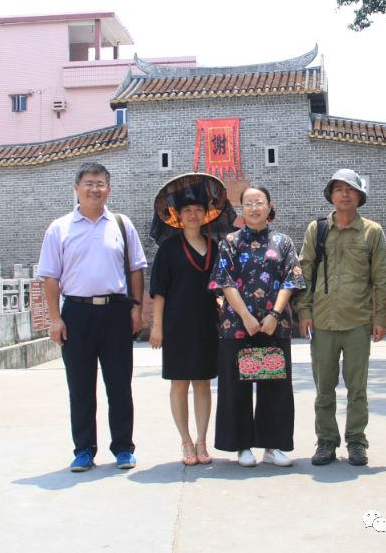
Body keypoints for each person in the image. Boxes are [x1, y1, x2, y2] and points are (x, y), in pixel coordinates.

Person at [37, 162, 146, 472]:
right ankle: (84, 450)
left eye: (100, 183)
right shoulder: (59, 228)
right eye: (88, 183)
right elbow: (49, 277)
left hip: (116, 312)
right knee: (81, 387)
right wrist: (55, 318)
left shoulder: (122, 225)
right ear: (76, 188)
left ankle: (123, 448)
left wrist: (137, 308)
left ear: (108, 189)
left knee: (119, 385)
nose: (94, 188)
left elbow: (137, 269)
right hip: (76, 313)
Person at [295, 169, 386, 466]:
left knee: (356, 389)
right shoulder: (318, 229)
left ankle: (356, 442)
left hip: (358, 321)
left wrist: (381, 317)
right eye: (339, 189)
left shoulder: (372, 231)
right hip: (323, 322)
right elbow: (305, 272)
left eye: (350, 189)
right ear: (331, 195)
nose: (345, 194)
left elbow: (382, 277)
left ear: (359, 196)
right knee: (323, 389)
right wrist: (305, 311)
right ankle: (326, 441)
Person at [209, 186, 305, 467]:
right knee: (236, 387)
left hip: (274, 326)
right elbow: (223, 281)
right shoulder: (230, 241)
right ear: (241, 209)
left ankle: (273, 446)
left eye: (258, 202)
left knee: (274, 385)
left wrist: (274, 314)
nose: (253, 208)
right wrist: (246, 317)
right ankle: (242, 446)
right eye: (248, 203)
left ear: (268, 206)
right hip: (237, 326)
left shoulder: (283, 242)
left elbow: (291, 279)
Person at [148, 173, 235, 466]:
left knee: (202, 382)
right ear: (177, 215)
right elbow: (158, 292)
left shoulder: (217, 247)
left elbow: (226, 286)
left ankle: (201, 440)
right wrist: (157, 327)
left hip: (207, 324)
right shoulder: (168, 250)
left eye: (198, 210)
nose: (193, 215)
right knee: (178, 384)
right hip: (175, 325)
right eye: (187, 211)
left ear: (206, 214)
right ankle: (185, 441)